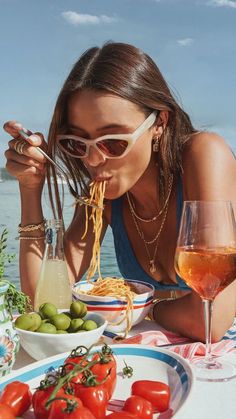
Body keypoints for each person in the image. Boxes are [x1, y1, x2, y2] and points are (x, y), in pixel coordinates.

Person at [3, 42, 236, 342]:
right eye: (77, 143)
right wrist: (30, 188)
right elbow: (44, 304)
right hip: (161, 361)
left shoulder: (204, 155)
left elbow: (210, 318)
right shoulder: (104, 197)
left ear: (159, 124)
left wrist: (136, 307)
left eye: (112, 142)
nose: (92, 159)